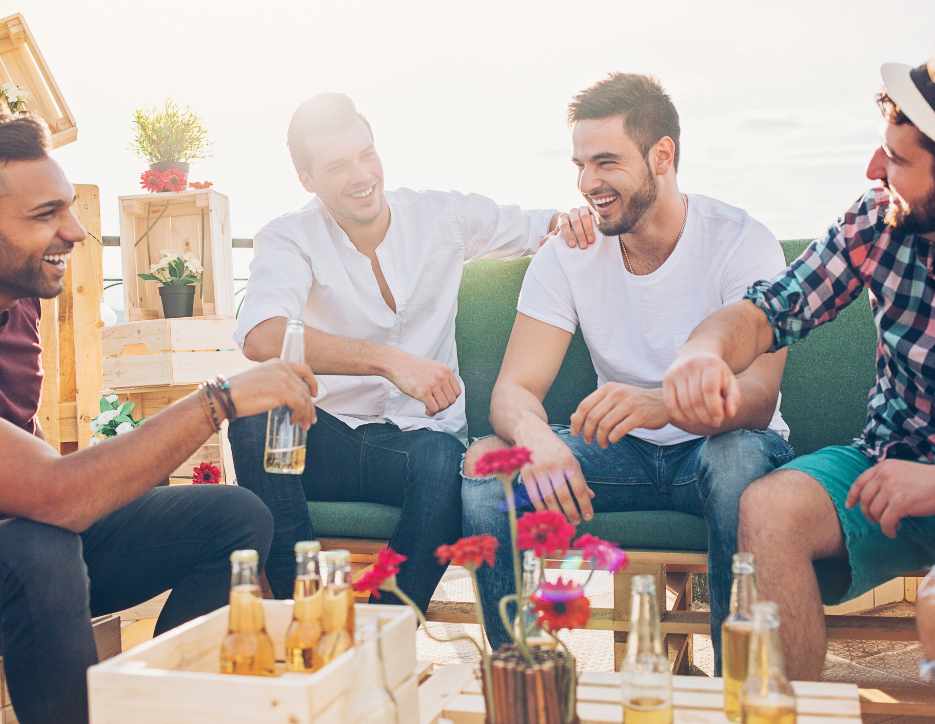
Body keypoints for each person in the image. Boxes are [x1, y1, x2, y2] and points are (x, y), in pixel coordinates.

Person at [0, 110, 320, 724]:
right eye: (45, 216)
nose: (76, 232)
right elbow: (57, 495)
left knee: (236, 517)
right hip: (21, 555)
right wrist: (218, 401)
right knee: (38, 546)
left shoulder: (19, 302)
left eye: (67, 207)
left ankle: (157, 710)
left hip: (27, 542)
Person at [462, 73, 794, 668]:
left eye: (606, 162)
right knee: (491, 476)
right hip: (619, 456)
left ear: (661, 156)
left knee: (738, 460)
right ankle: (530, 682)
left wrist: (659, 404)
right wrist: (538, 439)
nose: (589, 183)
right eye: (581, 164)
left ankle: (736, 693)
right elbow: (513, 390)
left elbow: (758, 397)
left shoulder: (741, 242)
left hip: (721, 447)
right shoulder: (569, 251)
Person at [230, 93, 593, 612]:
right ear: (307, 180)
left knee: (448, 463)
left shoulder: (439, 216)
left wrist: (569, 222)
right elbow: (261, 335)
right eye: (338, 166)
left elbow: (542, 226)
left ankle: (386, 625)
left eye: (367, 154)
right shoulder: (289, 238)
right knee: (253, 417)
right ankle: (303, 612)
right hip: (325, 436)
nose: (362, 175)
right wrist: (389, 360)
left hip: (417, 446)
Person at [663, 58, 935, 680]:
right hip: (883, 465)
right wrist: (703, 351)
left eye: (897, 158)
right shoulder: (878, 219)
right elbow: (768, 311)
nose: (873, 169)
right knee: (768, 509)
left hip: (921, 479)